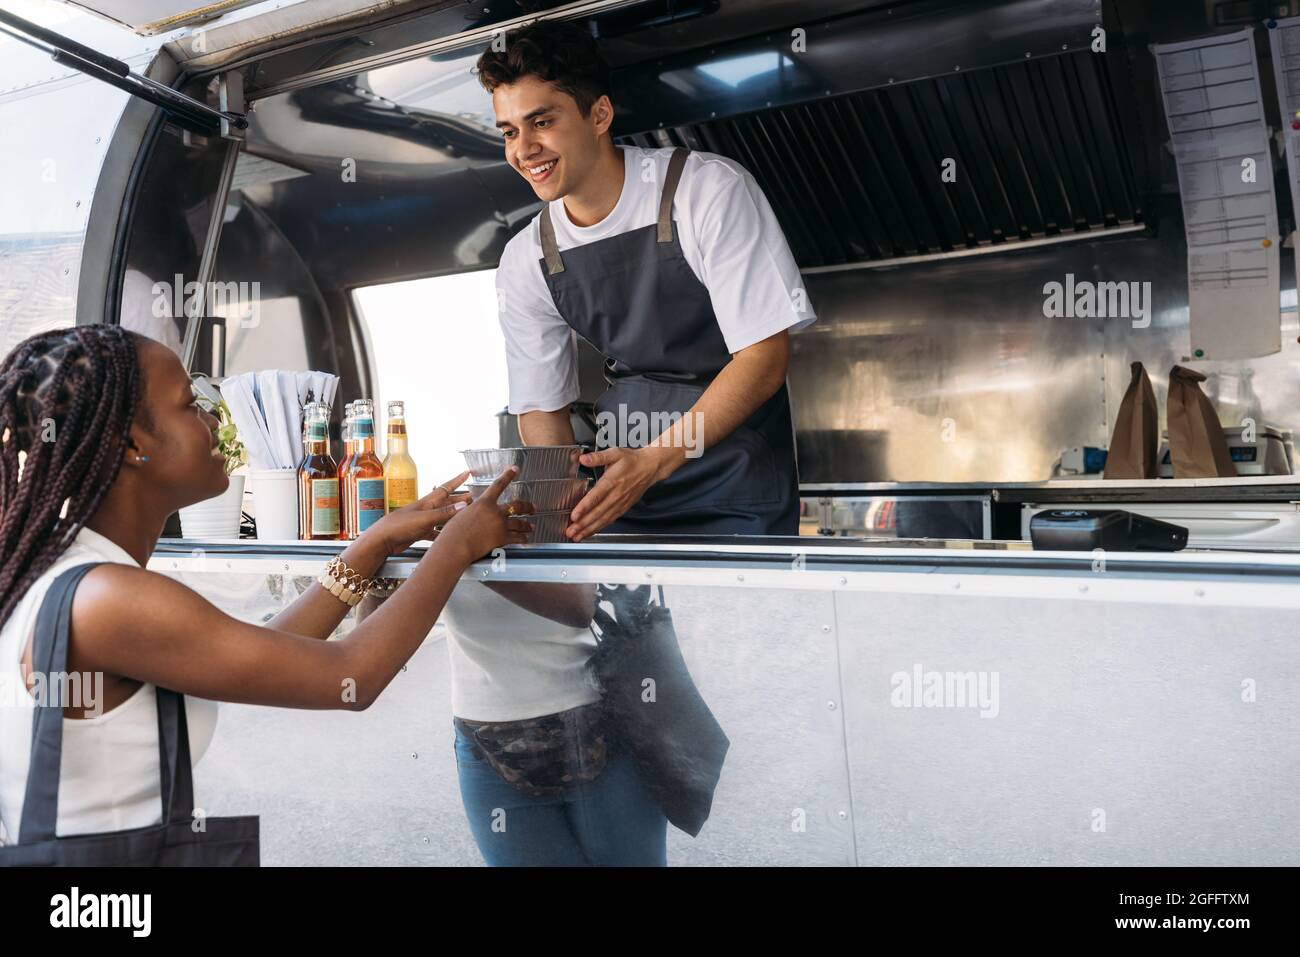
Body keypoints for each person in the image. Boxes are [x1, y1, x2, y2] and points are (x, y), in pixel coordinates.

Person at [0, 324, 528, 846]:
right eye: (190, 405)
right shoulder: (110, 600)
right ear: (135, 441)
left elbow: (268, 647)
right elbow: (352, 677)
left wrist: (371, 546)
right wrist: (456, 546)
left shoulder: (67, 574)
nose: (214, 421)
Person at [483, 19, 817, 543]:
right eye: (509, 131)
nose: (524, 149)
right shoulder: (527, 258)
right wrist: (557, 507)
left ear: (599, 114)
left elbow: (763, 358)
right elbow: (542, 410)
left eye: (541, 121)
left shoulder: (705, 191)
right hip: (618, 502)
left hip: (736, 496)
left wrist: (655, 461)